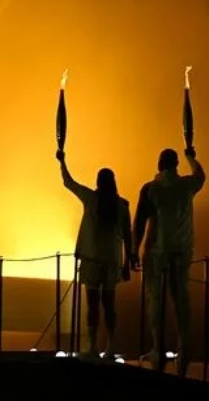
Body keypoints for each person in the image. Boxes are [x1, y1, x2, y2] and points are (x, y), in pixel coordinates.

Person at [132, 147, 206, 376]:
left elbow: (140, 223)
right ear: (176, 164)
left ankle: (157, 348)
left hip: (157, 251)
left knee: (155, 299)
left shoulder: (151, 189)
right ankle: (184, 348)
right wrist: (191, 156)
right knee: (181, 298)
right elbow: (201, 176)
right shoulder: (186, 186)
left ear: (159, 164)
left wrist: (133, 251)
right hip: (182, 250)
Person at [56, 149, 135, 356]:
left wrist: (62, 161)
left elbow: (68, 182)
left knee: (92, 304)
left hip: (92, 260)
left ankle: (92, 345)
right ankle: (109, 345)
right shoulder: (122, 206)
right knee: (109, 304)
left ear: (98, 182)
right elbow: (128, 236)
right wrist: (126, 264)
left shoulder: (91, 199)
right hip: (111, 261)